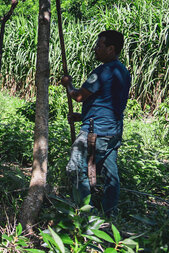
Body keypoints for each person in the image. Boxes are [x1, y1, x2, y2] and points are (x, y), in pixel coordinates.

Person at [61, 30, 131, 216]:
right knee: (110, 174)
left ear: (111, 49)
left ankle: (85, 215)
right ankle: (111, 214)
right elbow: (107, 102)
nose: (96, 49)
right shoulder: (123, 72)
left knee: (75, 168)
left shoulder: (102, 71)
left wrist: (68, 84)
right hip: (112, 130)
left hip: (96, 131)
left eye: (99, 46)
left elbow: (79, 96)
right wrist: (82, 116)